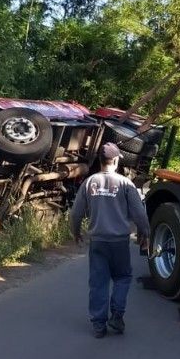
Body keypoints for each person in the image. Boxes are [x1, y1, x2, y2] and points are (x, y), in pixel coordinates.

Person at [70, 142, 150, 338]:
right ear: (115, 160)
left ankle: (98, 325)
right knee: (122, 277)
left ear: (99, 161)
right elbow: (139, 214)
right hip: (119, 242)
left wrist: (76, 232)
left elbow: (76, 213)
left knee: (98, 282)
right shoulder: (125, 184)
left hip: (98, 241)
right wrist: (145, 233)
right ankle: (117, 315)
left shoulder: (89, 182)